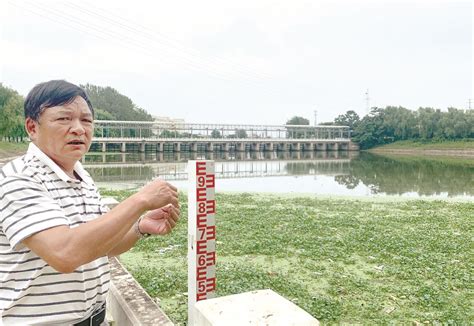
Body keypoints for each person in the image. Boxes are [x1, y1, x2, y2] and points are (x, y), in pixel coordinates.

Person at [0, 80, 180, 325]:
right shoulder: (19, 179)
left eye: (86, 120)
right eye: (64, 119)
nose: (78, 129)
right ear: (32, 127)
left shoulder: (81, 175)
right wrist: (140, 200)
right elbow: (65, 253)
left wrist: (140, 227)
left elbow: (101, 247)